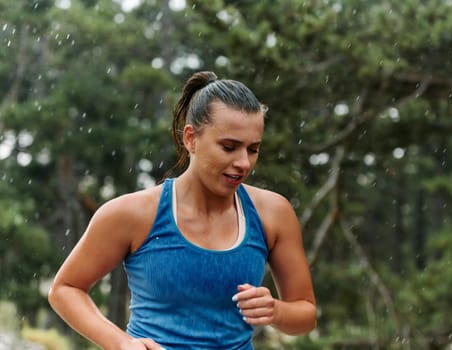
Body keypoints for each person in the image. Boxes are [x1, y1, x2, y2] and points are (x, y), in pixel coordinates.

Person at [48, 71, 316, 350]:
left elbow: (306, 312)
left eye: (253, 149)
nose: (243, 163)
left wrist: (275, 311)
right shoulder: (132, 214)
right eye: (229, 147)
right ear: (191, 138)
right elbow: (65, 289)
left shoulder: (273, 213)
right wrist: (121, 343)